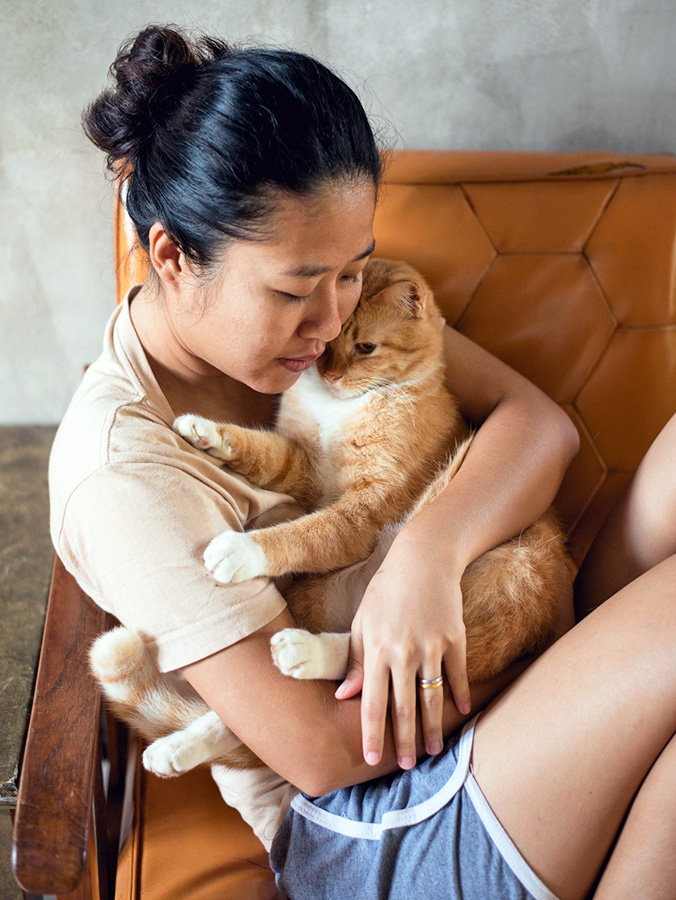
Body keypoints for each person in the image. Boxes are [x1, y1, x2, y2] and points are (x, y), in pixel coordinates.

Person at [49, 24, 676, 900]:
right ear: (171, 256)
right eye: (296, 289)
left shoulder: (335, 323)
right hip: (374, 820)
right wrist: (535, 645)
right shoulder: (124, 475)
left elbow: (540, 428)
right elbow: (322, 749)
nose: (330, 322)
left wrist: (426, 560)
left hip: (479, 644)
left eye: (355, 272)